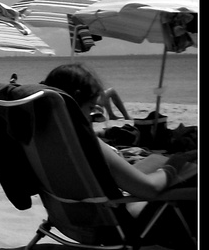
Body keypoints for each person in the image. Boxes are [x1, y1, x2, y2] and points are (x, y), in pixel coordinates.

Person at [39, 63, 194, 199]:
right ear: (75, 102)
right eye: (91, 108)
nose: (93, 115)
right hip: (117, 218)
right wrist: (173, 165)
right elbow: (149, 189)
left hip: (72, 215)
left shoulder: (42, 137)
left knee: (154, 160)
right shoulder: (83, 142)